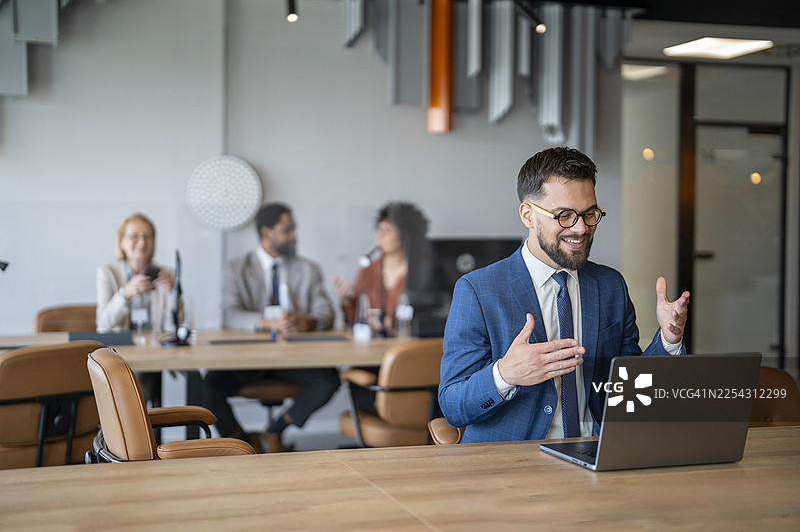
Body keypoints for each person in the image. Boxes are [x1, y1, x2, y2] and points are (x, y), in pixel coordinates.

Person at [438, 147, 690, 443]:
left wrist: (668, 341)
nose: (581, 228)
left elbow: (629, 392)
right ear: (528, 215)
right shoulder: (478, 290)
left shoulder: (610, 285)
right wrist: (505, 374)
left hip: (596, 453)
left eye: (589, 214)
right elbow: (453, 406)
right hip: (512, 465)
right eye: (565, 216)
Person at [202, 202, 339, 452]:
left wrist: (306, 321)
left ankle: (274, 430)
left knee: (329, 379)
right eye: (287, 230)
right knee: (206, 387)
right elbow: (230, 314)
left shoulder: (308, 269)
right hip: (248, 359)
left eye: (293, 229)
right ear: (266, 233)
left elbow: (326, 312)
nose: (294, 236)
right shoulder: (237, 268)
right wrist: (266, 322)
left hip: (293, 360)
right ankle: (243, 442)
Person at [96, 212, 177, 403]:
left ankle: (143, 426)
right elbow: (103, 323)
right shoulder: (108, 273)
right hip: (120, 353)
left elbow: (176, 326)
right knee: (136, 385)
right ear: (122, 242)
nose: (142, 242)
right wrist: (125, 295)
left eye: (147, 236)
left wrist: (173, 293)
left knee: (146, 383)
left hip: (155, 351)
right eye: (134, 236)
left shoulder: (167, 274)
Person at [334, 201, 432, 336]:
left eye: (388, 230)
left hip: (409, 343)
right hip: (374, 343)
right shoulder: (369, 269)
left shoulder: (422, 270)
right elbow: (354, 318)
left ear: (405, 234)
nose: (380, 236)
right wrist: (346, 298)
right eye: (379, 230)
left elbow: (430, 314)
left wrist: (394, 321)